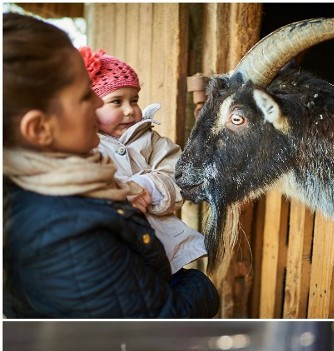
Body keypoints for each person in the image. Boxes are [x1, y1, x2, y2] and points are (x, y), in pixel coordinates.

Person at [3, 13, 219, 318]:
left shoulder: (71, 183)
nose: (96, 104)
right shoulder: (67, 234)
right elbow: (159, 320)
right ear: (39, 129)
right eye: (84, 96)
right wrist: (200, 286)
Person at [80, 46, 206, 274]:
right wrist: (117, 194)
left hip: (160, 251)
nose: (130, 110)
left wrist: (148, 188)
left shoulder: (151, 140)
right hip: (107, 255)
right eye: (116, 101)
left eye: (134, 100)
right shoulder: (81, 146)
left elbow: (179, 176)